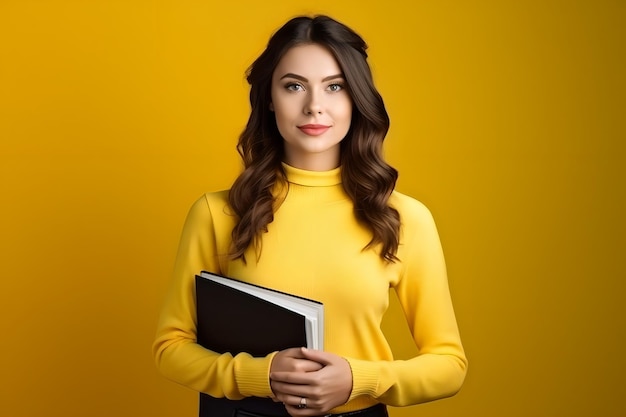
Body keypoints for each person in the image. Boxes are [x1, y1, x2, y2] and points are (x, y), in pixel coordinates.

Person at [153, 14, 467, 417]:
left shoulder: (403, 218)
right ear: (270, 97)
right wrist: (260, 375)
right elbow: (171, 348)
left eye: (335, 87)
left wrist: (358, 379)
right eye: (294, 86)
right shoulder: (218, 212)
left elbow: (450, 365)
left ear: (356, 98)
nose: (314, 106)